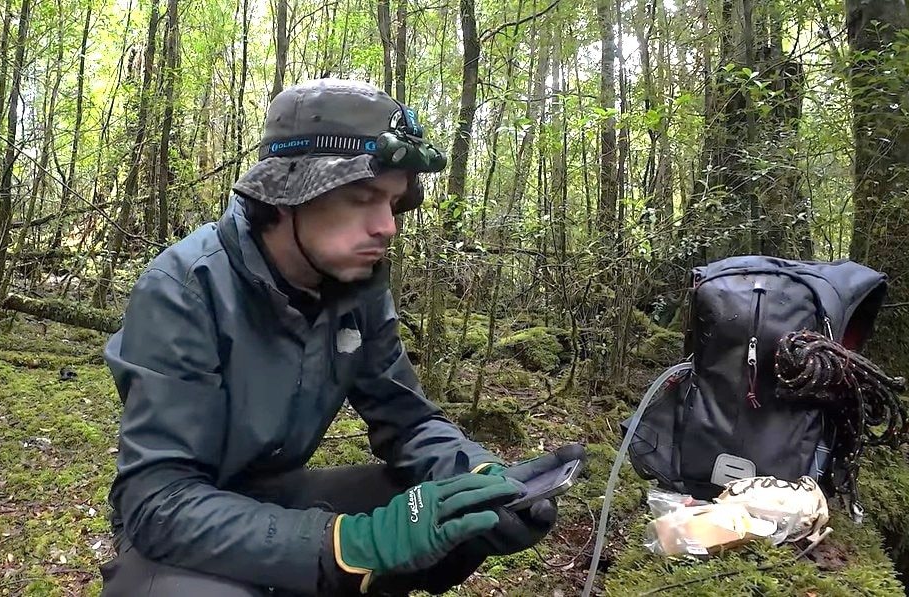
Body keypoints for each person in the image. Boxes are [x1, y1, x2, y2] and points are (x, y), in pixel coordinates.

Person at [98, 78, 582, 596]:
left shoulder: (357, 288)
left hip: (275, 495)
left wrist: (483, 476)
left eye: (393, 203)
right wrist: (347, 544)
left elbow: (408, 420)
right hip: (183, 519)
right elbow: (158, 500)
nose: (387, 226)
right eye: (362, 197)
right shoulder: (185, 286)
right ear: (286, 195)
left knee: (451, 511)